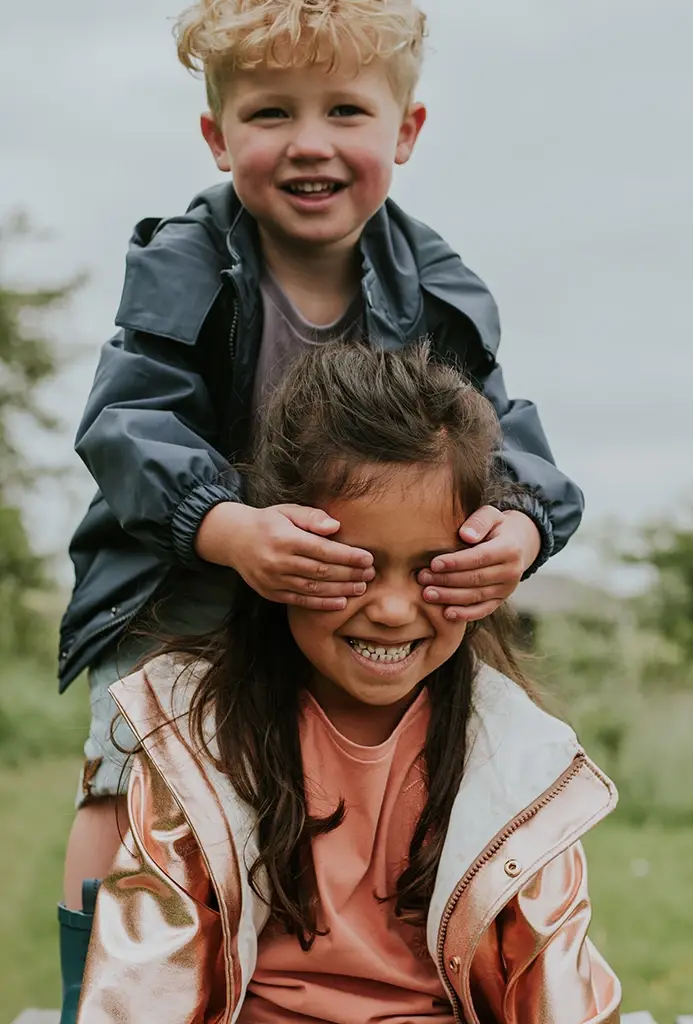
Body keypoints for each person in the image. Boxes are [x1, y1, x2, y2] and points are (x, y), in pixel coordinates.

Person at [57, 1, 584, 1016]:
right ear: (217, 136)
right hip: (185, 574)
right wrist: (228, 528)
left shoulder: (436, 286)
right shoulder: (183, 259)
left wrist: (520, 524)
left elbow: (497, 427)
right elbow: (129, 421)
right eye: (271, 113)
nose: (310, 143)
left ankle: (356, 972)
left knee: (363, 783)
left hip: (351, 584)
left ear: (405, 131)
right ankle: (96, 992)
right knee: (131, 771)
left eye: (345, 110)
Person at [76, 342, 620, 1024]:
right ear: (278, 553)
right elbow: (145, 988)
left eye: (432, 568)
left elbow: (556, 993)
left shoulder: (520, 760)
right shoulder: (197, 745)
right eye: (353, 564)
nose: (392, 609)